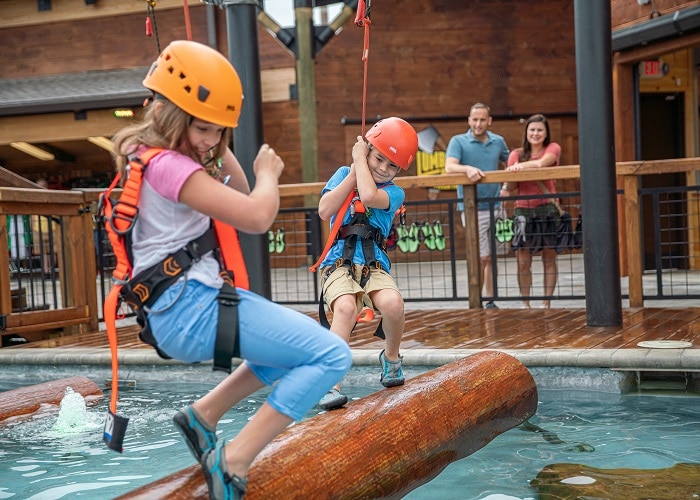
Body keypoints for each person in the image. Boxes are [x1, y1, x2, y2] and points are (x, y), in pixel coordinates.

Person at [109, 40, 352, 499]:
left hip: (183, 306)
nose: (210, 141)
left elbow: (234, 187)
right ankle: (234, 459)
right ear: (168, 115)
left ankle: (203, 415)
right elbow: (257, 214)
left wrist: (216, 140)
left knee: (292, 349)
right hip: (189, 308)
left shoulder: (162, 158)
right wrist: (269, 174)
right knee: (330, 356)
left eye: (219, 132)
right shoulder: (169, 168)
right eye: (202, 129)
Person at [315, 117, 418, 411]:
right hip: (339, 262)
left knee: (393, 305)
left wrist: (360, 160)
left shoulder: (395, 192)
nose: (383, 169)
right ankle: (330, 382)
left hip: (373, 265)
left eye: (391, 166)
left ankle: (392, 359)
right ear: (369, 150)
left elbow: (370, 196)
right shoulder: (343, 175)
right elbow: (325, 211)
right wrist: (354, 169)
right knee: (345, 308)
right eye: (378, 159)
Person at [445, 103, 510, 309]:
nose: (478, 123)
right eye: (475, 119)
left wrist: (507, 186)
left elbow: (512, 163)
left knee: (491, 256)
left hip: (496, 205)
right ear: (469, 120)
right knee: (482, 257)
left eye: (482, 120)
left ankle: (490, 300)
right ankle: (477, 300)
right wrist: (468, 169)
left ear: (489, 121)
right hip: (472, 208)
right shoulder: (458, 141)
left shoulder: (498, 141)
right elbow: (449, 167)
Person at [503, 113, 562, 309]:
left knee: (549, 257)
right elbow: (511, 185)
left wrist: (518, 167)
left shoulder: (553, 149)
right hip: (523, 210)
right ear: (526, 132)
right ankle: (525, 303)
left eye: (539, 130)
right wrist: (505, 185)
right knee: (522, 261)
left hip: (547, 208)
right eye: (532, 130)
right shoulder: (515, 154)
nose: (535, 133)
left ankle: (547, 303)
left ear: (546, 133)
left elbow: (540, 164)